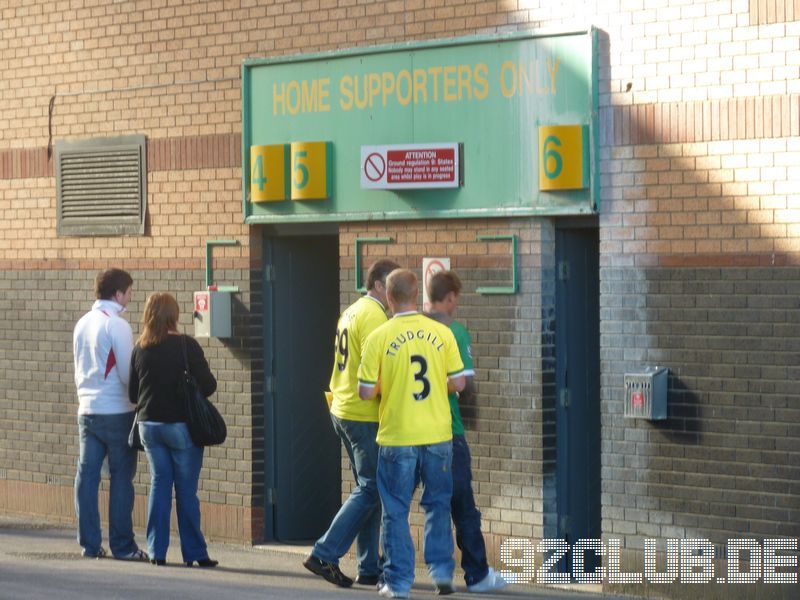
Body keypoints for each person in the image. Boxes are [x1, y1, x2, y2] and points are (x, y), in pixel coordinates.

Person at [358, 269, 465, 599]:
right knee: (437, 506)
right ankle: (443, 575)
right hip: (438, 435)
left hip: (397, 437)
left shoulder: (379, 337)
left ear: (388, 297)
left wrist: (385, 385)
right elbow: (459, 383)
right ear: (416, 295)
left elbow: (364, 392)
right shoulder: (441, 333)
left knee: (395, 511)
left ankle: (399, 583)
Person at [303, 259, 400, 588]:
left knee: (367, 487)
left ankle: (368, 566)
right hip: (362, 413)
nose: (393, 295)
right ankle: (325, 553)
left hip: (342, 407)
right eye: (390, 288)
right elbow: (379, 368)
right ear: (376, 286)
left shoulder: (351, 311)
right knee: (372, 488)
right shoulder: (374, 316)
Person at [427, 270, 509, 593]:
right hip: (449, 430)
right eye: (456, 299)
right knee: (463, 505)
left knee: (431, 504)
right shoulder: (455, 331)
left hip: (414, 432)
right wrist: (471, 421)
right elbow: (467, 387)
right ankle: (477, 574)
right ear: (450, 298)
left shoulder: (411, 329)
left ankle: (434, 572)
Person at [128, 293, 218, 568]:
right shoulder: (186, 346)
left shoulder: (139, 348)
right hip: (181, 427)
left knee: (159, 484)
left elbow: (134, 394)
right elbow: (209, 385)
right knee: (186, 491)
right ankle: (195, 553)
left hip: (149, 427)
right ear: (173, 315)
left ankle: (157, 551)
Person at [73, 268, 147, 560]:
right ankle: (123, 546)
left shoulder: (82, 323)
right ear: (118, 294)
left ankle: (89, 544)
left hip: (86, 410)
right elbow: (129, 376)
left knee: (87, 477)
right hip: (116, 411)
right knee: (120, 479)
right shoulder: (116, 325)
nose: (130, 297)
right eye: (128, 292)